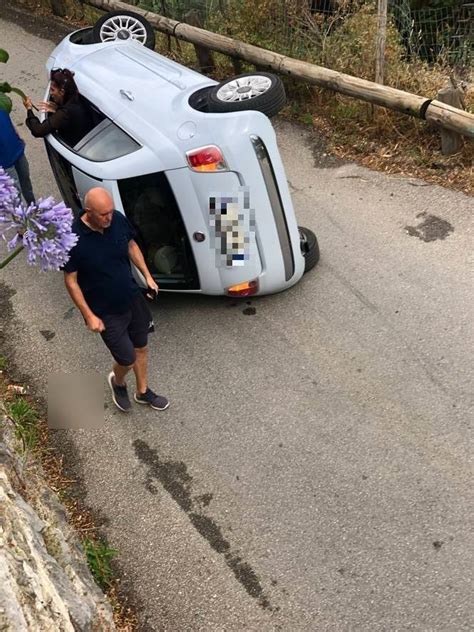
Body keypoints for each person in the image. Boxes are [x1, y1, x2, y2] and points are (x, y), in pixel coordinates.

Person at [63, 187, 169, 413]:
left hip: (131, 297)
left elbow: (131, 245)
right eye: (103, 214)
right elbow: (71, 281)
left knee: (141, 347)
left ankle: (142, 392)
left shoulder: (117, 220)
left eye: (111, 212)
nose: (109, 218)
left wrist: (148, 277)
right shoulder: (72, 238)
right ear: (88, 211)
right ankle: (118, 382)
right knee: (127, 359)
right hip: (105, 311)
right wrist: (89, 316)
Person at [23, 68, 94, 148]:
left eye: (52, 90)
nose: (50, 93)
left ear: (62, 92)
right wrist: (57, 109)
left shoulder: (65, 113)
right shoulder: (77, 98)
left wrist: (29, 109)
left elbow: (38, 130)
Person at [0, 109, 35, 205]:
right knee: (15, 192)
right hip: (4, 162)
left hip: (17, 149)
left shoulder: (2, 101)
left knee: (26, 182)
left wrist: (17, 135)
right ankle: (21, 217)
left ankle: (33, 209)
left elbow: (6, 118)